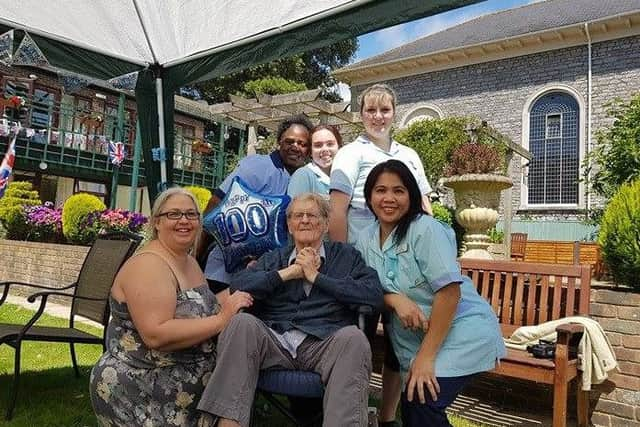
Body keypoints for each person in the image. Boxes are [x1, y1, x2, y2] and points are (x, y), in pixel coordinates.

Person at [197, 193, 384, 427]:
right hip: (275, 341)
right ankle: (228, 423)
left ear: (326, 224)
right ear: (290, 225)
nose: (304, 220)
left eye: (312, 215)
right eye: (298, 215)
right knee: (241, 324)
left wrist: (316, 278)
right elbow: (239, 285)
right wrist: (287, 274)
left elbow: (373, 295)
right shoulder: (275, 257)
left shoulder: (346, 256)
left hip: (324, 343)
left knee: (354, 338)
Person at [356, 160, 505, 427]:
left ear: (411, 196)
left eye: (398, 191)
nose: (389, 198)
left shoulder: (425, 230)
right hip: (416, 337)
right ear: (369, 196)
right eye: (380, 190)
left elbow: (449, 293)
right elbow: (362, 286)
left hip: (461, 330)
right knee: (417, 408)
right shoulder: (365, 238)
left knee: (421, 400)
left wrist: (426, 356)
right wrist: (393, 299)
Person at [90, 187, 253, 427]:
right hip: (145, 391)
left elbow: (199, 305)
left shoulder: (187, 261)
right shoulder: (149, 265)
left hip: (186, 390)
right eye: (174, 214)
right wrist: (222, 319)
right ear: (157, 222)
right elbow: (157, 334)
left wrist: (248, 282)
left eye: (191, 214)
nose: (184, 221)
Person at [328, 83, 433, 426]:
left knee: (398, 346)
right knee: (358, 340)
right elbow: (338, 211)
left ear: (394, 112)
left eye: (384, 110)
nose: (377, 117)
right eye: (370, 110)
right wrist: (342, 261)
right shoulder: (349, 154)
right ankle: (353, 414)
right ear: (360, 114)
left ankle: (387, 417)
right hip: (364, 266)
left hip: (405, 266)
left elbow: (425, 208)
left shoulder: (409, 156)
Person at [200, 115, 313, 297]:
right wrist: (196, 254)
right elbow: (216, 203)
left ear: (308, 149)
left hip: (268, 273)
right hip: (225, 271)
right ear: (279, 142)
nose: (295, 147)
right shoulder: (257, 166)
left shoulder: (306, 177)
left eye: (302, 143)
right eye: (289, 141)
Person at [287, 124, 342, 199]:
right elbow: (295, 209)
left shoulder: (344, 175)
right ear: (311, 152)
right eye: (318, 145)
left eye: (330, 144)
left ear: (339, 147)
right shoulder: (303, 175)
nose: (324, 149)